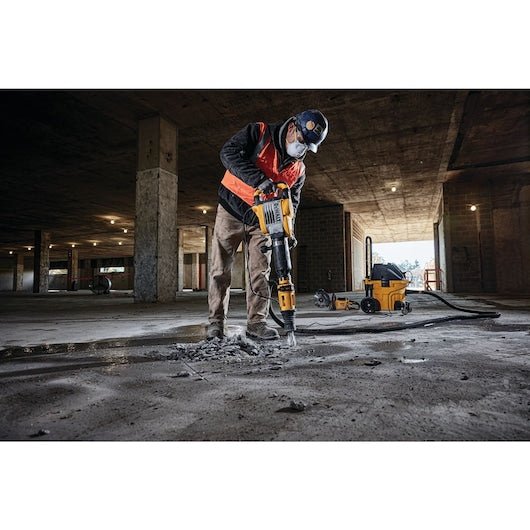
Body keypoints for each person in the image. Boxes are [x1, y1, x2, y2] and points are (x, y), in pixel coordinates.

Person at [207, 109, 329, 340]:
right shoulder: (260, 132)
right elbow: (228, 153)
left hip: (264, 220)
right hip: (231, 209)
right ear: (292, 127)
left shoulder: (299, 170)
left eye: (307, 146)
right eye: (301, 140)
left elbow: (292, 203)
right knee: (220, 270)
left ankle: (257, 323)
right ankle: (216, 323)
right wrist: (259, 180)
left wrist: (288, 230)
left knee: (260, 272)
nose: (302, 149)